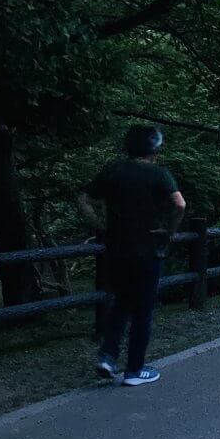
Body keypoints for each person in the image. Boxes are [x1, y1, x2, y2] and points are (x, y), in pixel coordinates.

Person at [79, 126, 186, 386]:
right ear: (155, 150)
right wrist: (169, 232)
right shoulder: (159, 175)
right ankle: (134, 370)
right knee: (143, 311)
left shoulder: (114, 171)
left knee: (121, 303)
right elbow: (179, 204)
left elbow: (83, 198)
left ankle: (108, 357)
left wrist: (100, 226)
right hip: (148, 249)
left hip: (116, 249)